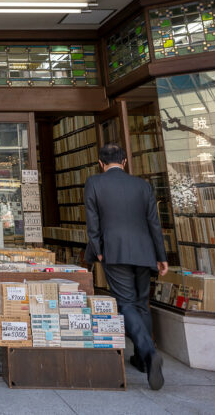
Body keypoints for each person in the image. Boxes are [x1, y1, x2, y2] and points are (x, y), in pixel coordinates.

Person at [84, 143, 168, 391]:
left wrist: (97, 249)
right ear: (125, 162)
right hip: (144, 251)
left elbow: (93, 220)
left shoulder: (94, 183)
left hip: (114, 250)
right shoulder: (142, 186)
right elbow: (154, 222)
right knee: (142, 302)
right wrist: (160, 255)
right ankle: (142, 361)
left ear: (101, 163)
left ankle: (149, 353)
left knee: (126, 302)